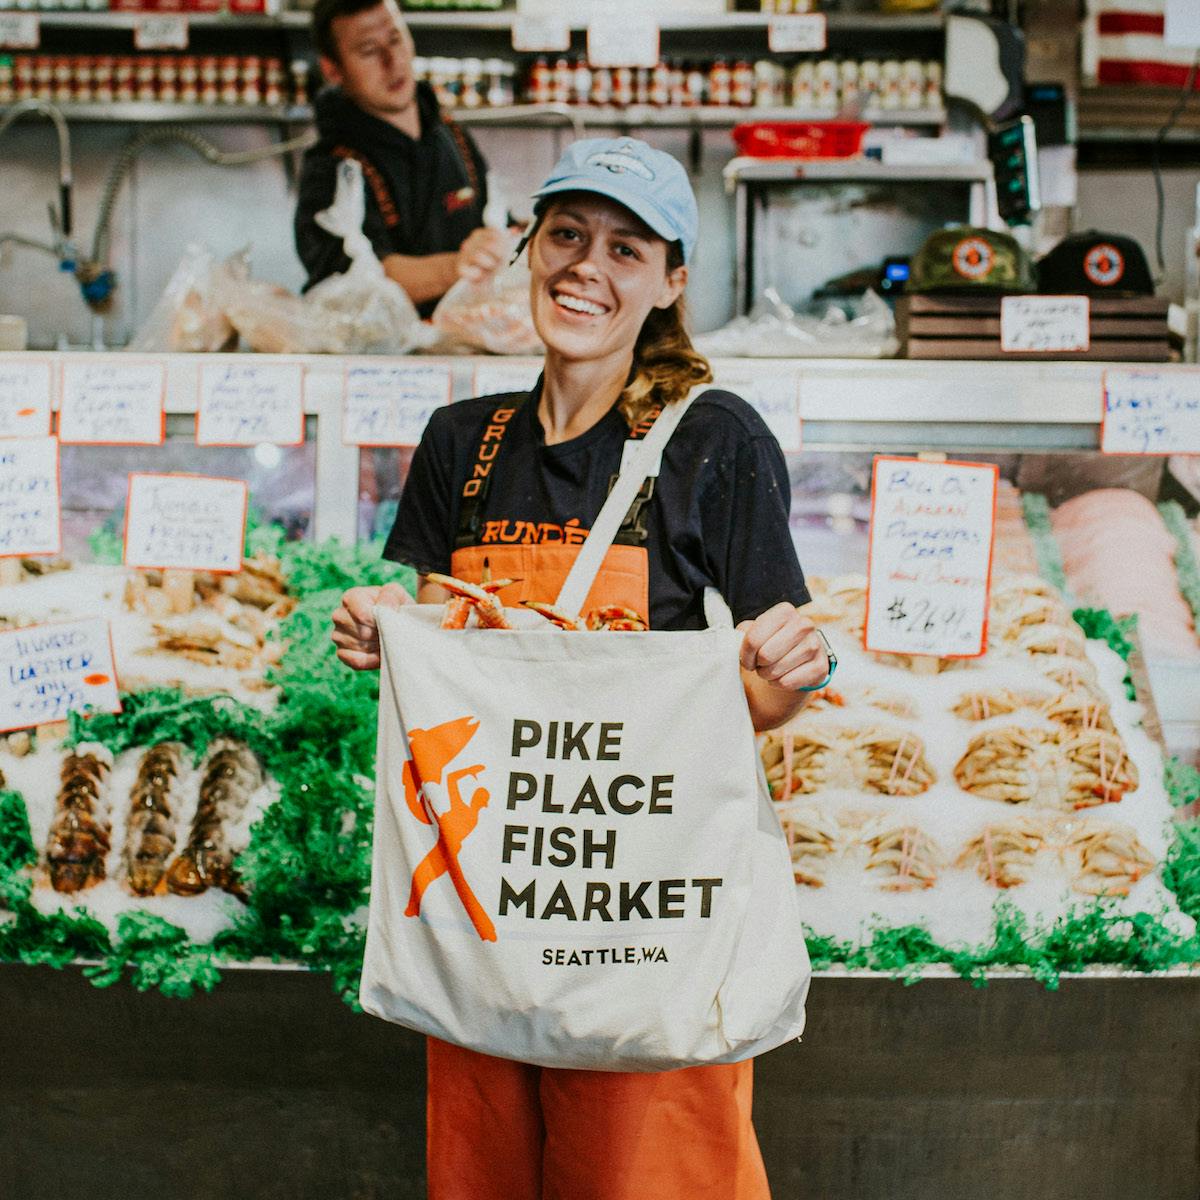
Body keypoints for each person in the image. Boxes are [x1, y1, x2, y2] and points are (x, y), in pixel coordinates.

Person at [331, 136, 832, 1200]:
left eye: (625, 247)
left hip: (644, 917)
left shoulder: (714, 441)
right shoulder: (460, 438)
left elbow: (768, 694)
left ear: (670, 281)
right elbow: (439, 668)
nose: (586, 268)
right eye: (565, 236)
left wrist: (789, 662)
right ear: (530, 249)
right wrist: (386, 635)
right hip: (483, 906)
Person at [294, 0, 511, 316]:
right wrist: (459, 267)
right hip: (385, 360)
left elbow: (497, 218)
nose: (392, 61)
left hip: (467, 344)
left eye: (395, 39)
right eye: (369, 51)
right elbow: (351, 283)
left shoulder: (449, 132)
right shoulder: (332, 167)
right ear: (333, 70)